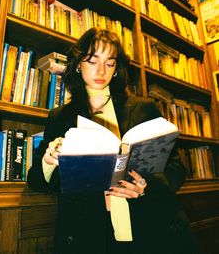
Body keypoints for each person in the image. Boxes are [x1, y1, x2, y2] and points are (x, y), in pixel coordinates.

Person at [27, 27, 204, 254]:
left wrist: (146, 188)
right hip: (87, 232)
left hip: (146, 224)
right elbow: (36, 181)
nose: (101, 70)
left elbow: (176, 168)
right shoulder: (60, 117)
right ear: (78, 65)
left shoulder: (143, 108)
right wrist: (49, 162)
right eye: (92, 61)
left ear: (116, 69)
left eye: (109, 63)